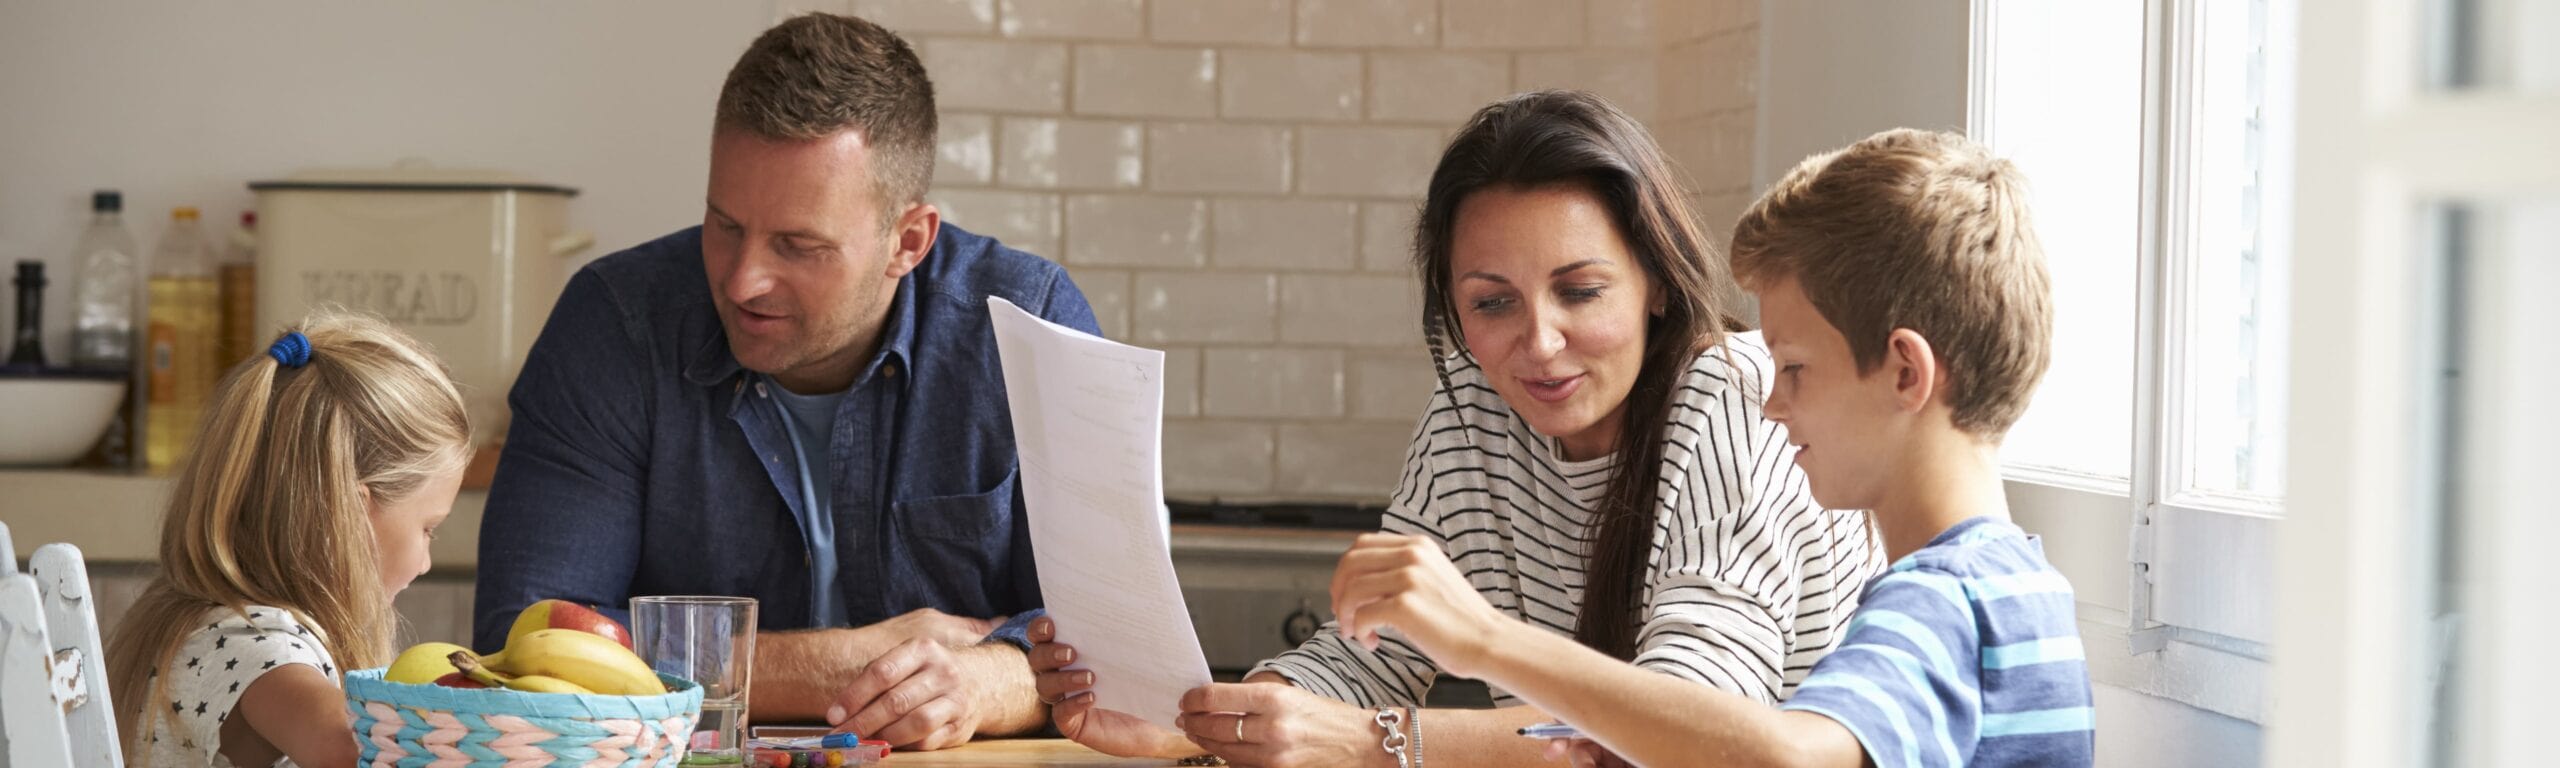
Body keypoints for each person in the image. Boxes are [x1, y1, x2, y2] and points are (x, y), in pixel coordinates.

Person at [1029, 90, 1884, 767]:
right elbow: (1368, 658)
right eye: (1492, 302)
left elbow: (1686, 737)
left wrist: (1371, 748)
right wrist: (1196, 722)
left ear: (1657, 284)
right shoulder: (1473, 414)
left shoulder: (1736, 401)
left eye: (1580, 291)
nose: (1539, 344)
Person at [1325, 128, 2095, 768]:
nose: (1770, 398)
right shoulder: (2011, 586)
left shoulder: (1944, 602)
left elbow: (1781, 760)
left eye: (1793, 368)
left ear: (1904, 372)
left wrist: (1485, 640)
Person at [471, 12, 1094, 749]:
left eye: (798, 246)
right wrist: (834, 666)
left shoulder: (1031, 327)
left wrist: (994, 681)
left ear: (909, 241)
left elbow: (1110, 649)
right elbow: (520, 650)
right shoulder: (614, 326)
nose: (742, 280)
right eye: (725, 224)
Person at [104, 313, 470, 768]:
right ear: (353, 515)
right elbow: (351, 750)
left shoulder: (195, 619)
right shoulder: (258, 643)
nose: (426, 562)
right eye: (427, 528)